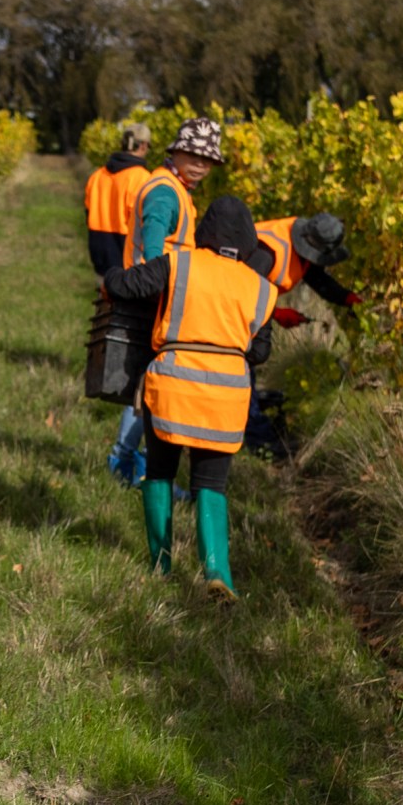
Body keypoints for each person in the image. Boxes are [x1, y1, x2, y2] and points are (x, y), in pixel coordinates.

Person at [102, 193, 275, 602]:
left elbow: (129, 286)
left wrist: (109, 274)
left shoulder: (178, 264)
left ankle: (160, 565)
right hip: (226, 397)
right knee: (211, 485)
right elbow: (261, 351)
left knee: (160, 472)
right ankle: (218, 571)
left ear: (205, 231)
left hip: (173, 388)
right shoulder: (262, 288)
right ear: (248, 238)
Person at [103, 117, 228, 487]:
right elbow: (155, 254)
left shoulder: (173, 186)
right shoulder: (164, 192)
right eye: (194, 155)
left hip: (158, 299)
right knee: (152, 387)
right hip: (155, 301)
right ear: (175, 151)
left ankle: (126, 461)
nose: (201, 164)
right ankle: (126, 463)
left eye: (208, 159)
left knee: (148, 386)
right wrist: (162, 293)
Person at [253, 213, 365, 323]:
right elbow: (241, 291)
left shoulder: (307, 238)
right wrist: (275, 314)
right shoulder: (268, 254)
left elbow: (316, 277)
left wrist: (346, 297)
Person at [84, 121, 153, 275]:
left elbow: (88, 214)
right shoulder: (143, 179)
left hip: (99, 255)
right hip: (127, 260)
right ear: (143, 146)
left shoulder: (97, 175)